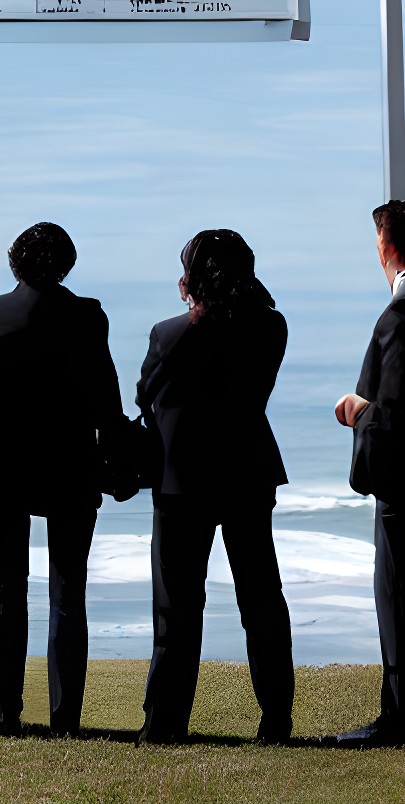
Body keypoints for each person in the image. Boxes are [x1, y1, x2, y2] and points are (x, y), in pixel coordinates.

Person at [0, 222, 127, 736]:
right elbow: (105, 395)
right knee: (69, 592)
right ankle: (65, 719)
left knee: (7, 589)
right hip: (69, 459)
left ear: (14, 262)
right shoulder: (88, 316)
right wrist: (125, 447)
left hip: (3, 461)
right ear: (65, 264)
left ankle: (3, 714)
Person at [135, 229, 293, 744]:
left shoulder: (170, 332)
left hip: (182, 479)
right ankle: (276, 718)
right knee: (262, 598)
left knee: (177, 605)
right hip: (248, 469)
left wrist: (189, 306)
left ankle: (165, 720)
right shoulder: (272, 327)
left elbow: (144, 396)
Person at [334, 197, 405, 750]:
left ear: (386, 246)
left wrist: (355, 409)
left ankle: (401, 720)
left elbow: (394, 413)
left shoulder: (401, 316)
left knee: (399, 601)